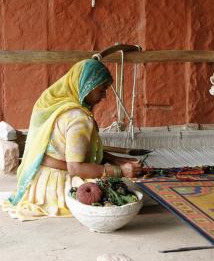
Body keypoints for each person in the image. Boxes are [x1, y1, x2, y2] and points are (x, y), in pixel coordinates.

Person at [3, 59, 141, 221]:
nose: (104, 96)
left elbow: (79, 151)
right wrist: (121, 171)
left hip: (38, 182)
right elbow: (75, 167)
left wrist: (117, 160)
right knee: (122, 191)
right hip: (57, 186)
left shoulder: (60, 107)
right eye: (102, 89)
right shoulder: (79, 119)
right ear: (87, 85)